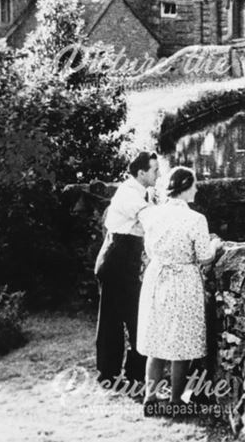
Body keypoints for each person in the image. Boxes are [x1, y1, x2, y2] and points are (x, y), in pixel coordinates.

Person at [137, 166, 221, 405]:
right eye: (193, 185)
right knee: (180, 342)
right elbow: (205, 257)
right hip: (182, 280)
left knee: (156, 337)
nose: (196, 189)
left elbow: (149, 250)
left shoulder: (152, 215)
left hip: (157, 276)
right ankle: (175, 400)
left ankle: (150, 398)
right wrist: (215, 245)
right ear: (184, 187)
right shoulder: (195, 219)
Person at [95, 151, 159, 388]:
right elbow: (149, 217)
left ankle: (124, 372)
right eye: (155, 170)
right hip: (116, 260)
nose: (158, 174)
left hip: (122, 260)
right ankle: (113, 374)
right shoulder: (128, 194)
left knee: (129, 316)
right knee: (121, 318)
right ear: (141, 173)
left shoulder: (142, 191)